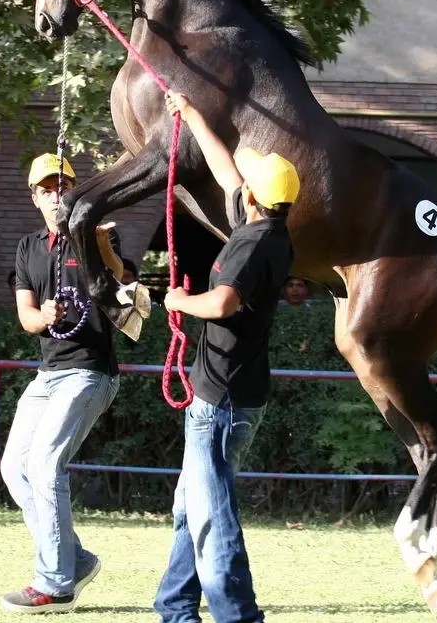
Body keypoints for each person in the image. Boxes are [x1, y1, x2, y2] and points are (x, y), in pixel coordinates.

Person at [153, 91, 297, 623]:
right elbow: (224, 170)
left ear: (256, 200)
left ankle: (238, 615)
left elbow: (223, 302)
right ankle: (174, 607)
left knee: (212, 513)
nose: (241, 181)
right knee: (190, 508)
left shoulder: (251, 244)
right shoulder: (270, 231)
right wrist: (189, 114)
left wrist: (177, 301)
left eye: (249, 182)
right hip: (236, 395)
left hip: (220, 401)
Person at [0, 153, 122, 614]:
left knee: (46, 464)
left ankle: (55, 584)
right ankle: (76, 559)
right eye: (46, 190)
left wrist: (104, 246)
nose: (56, 196)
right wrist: (43, 316)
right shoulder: (27, 248)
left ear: (74, 190)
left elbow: (121, 283)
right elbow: (26, 316)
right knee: (16, 468)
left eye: (63, 187)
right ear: (34, 197)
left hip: (91, 370)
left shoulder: (91, 237)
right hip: (49, 375)